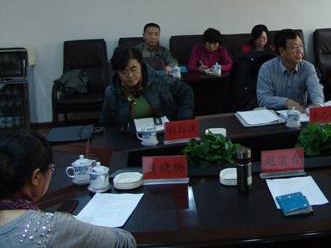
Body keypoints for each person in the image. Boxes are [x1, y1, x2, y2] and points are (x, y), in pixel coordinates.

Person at [0, 130, 136, 247]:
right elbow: (125, 242)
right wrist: (79, 228)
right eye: (51, 168)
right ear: (36, 177)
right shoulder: (50, 227)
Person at [100, 47, 194, 127]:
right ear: (117, 73)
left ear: (141, 65)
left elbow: (185, 91)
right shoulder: (111, 92)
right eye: (123, 72)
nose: (130, 76)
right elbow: (105, 123)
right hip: (129, 136)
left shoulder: (159, 79)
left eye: (134, 69)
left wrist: (183, 119)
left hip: (163, 132)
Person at [257, 29, 324, 110]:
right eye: (294, 47)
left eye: (301, 46)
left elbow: (315, 88)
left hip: (300, 114)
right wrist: (286, 102)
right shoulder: (267, 68)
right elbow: (263, 99)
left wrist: (318, 104)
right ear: (282, 51)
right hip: (275, 115)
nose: (300, 51)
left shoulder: (308, 67)